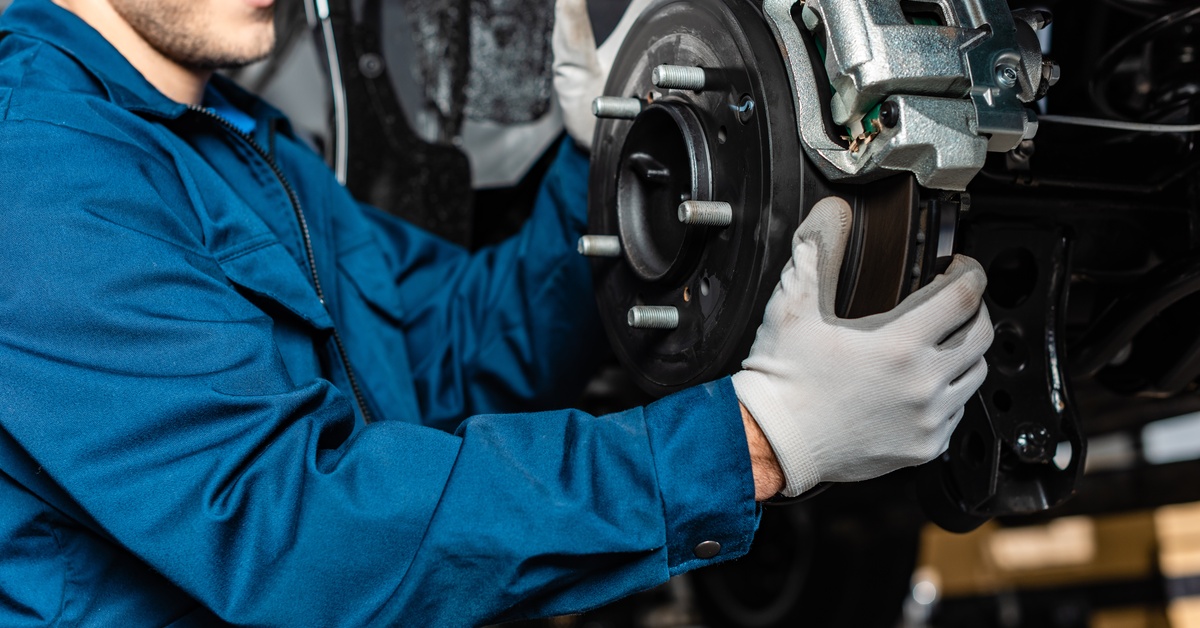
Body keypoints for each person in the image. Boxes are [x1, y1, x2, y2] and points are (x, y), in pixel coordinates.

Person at [0, 0, 993, 624]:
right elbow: (295, 535)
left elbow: (450, 356)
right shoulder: (36, 174)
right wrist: (753, 442)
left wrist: (599, 166)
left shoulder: (236, 141)